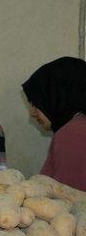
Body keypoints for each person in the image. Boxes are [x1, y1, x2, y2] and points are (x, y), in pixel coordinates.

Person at [22, 56, 86, 191]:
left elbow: (70, 200)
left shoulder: (73, 134)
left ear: (56, 94)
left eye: (35, 103)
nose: (32, 113)